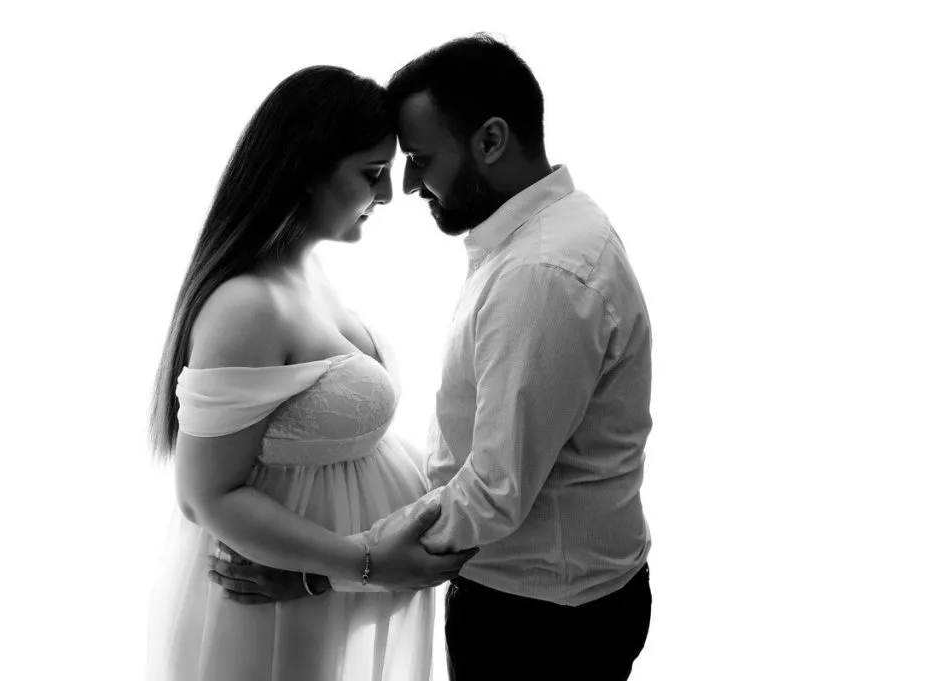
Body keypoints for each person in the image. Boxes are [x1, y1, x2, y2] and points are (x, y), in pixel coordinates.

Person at [212, 34, 655, 680]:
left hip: (539, 625)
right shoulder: (546, 234)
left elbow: (493, 494)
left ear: (491, 141)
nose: (410, 182)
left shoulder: (541, 271)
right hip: (561, 603)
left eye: (421, 158)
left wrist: (325, 571)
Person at [146, 65, 478, 681]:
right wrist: (361, 562)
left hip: (316, 594)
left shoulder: (304, 270)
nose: (386, 196)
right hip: (271, 609)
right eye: (371, 174)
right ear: (305, 171)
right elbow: (203, 494)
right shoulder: (246, 305)